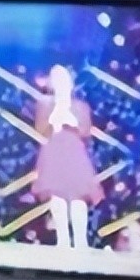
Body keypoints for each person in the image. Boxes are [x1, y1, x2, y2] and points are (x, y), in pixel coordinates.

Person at [32, 64, 102, 249]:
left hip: (74, 152)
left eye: (63, 79)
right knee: (57, 197)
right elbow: (40, 130)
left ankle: (80, 240)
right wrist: (54, 119)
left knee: (78, 197)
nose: (61, 83)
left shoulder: (81, 106)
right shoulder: (44, 104)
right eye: (56, 79)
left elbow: (86, 131)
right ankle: (62, 239)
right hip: (53, 151)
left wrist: (73, 123)